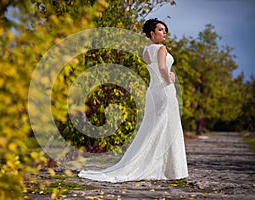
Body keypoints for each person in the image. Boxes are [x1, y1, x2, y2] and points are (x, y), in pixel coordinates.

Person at [78, 18, 188, 182]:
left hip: (153, 90)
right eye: (160, 30)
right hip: (164, 90)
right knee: (166, 125)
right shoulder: (162, 49)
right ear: (152, 33)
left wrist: (165, 75)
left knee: (153, 126)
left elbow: (153, 68)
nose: (164, 33)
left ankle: (155, 164)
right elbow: (163, 68)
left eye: (165, 30)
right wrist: (170, 78)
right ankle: (168, 169)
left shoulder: (146, 50)